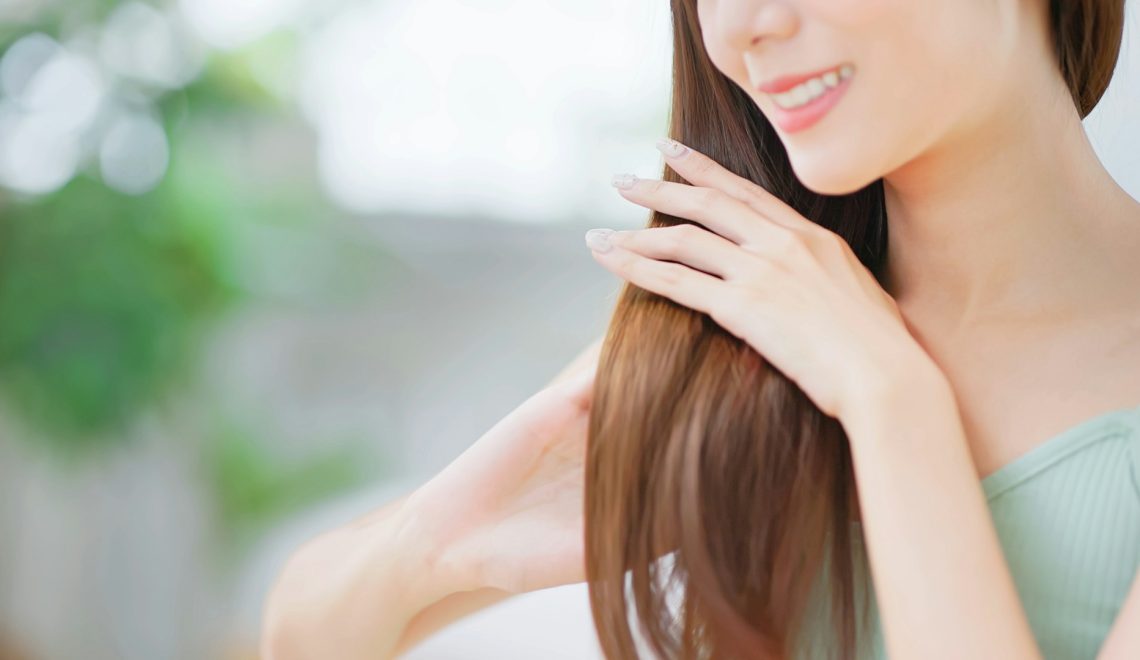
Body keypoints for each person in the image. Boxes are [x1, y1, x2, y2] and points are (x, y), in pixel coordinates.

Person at [260, 0, 1140, 658]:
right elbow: (302, 632)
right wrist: (441, 548)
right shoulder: (764, 315)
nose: (744, 26)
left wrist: (893, 406)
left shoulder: (844, 349)